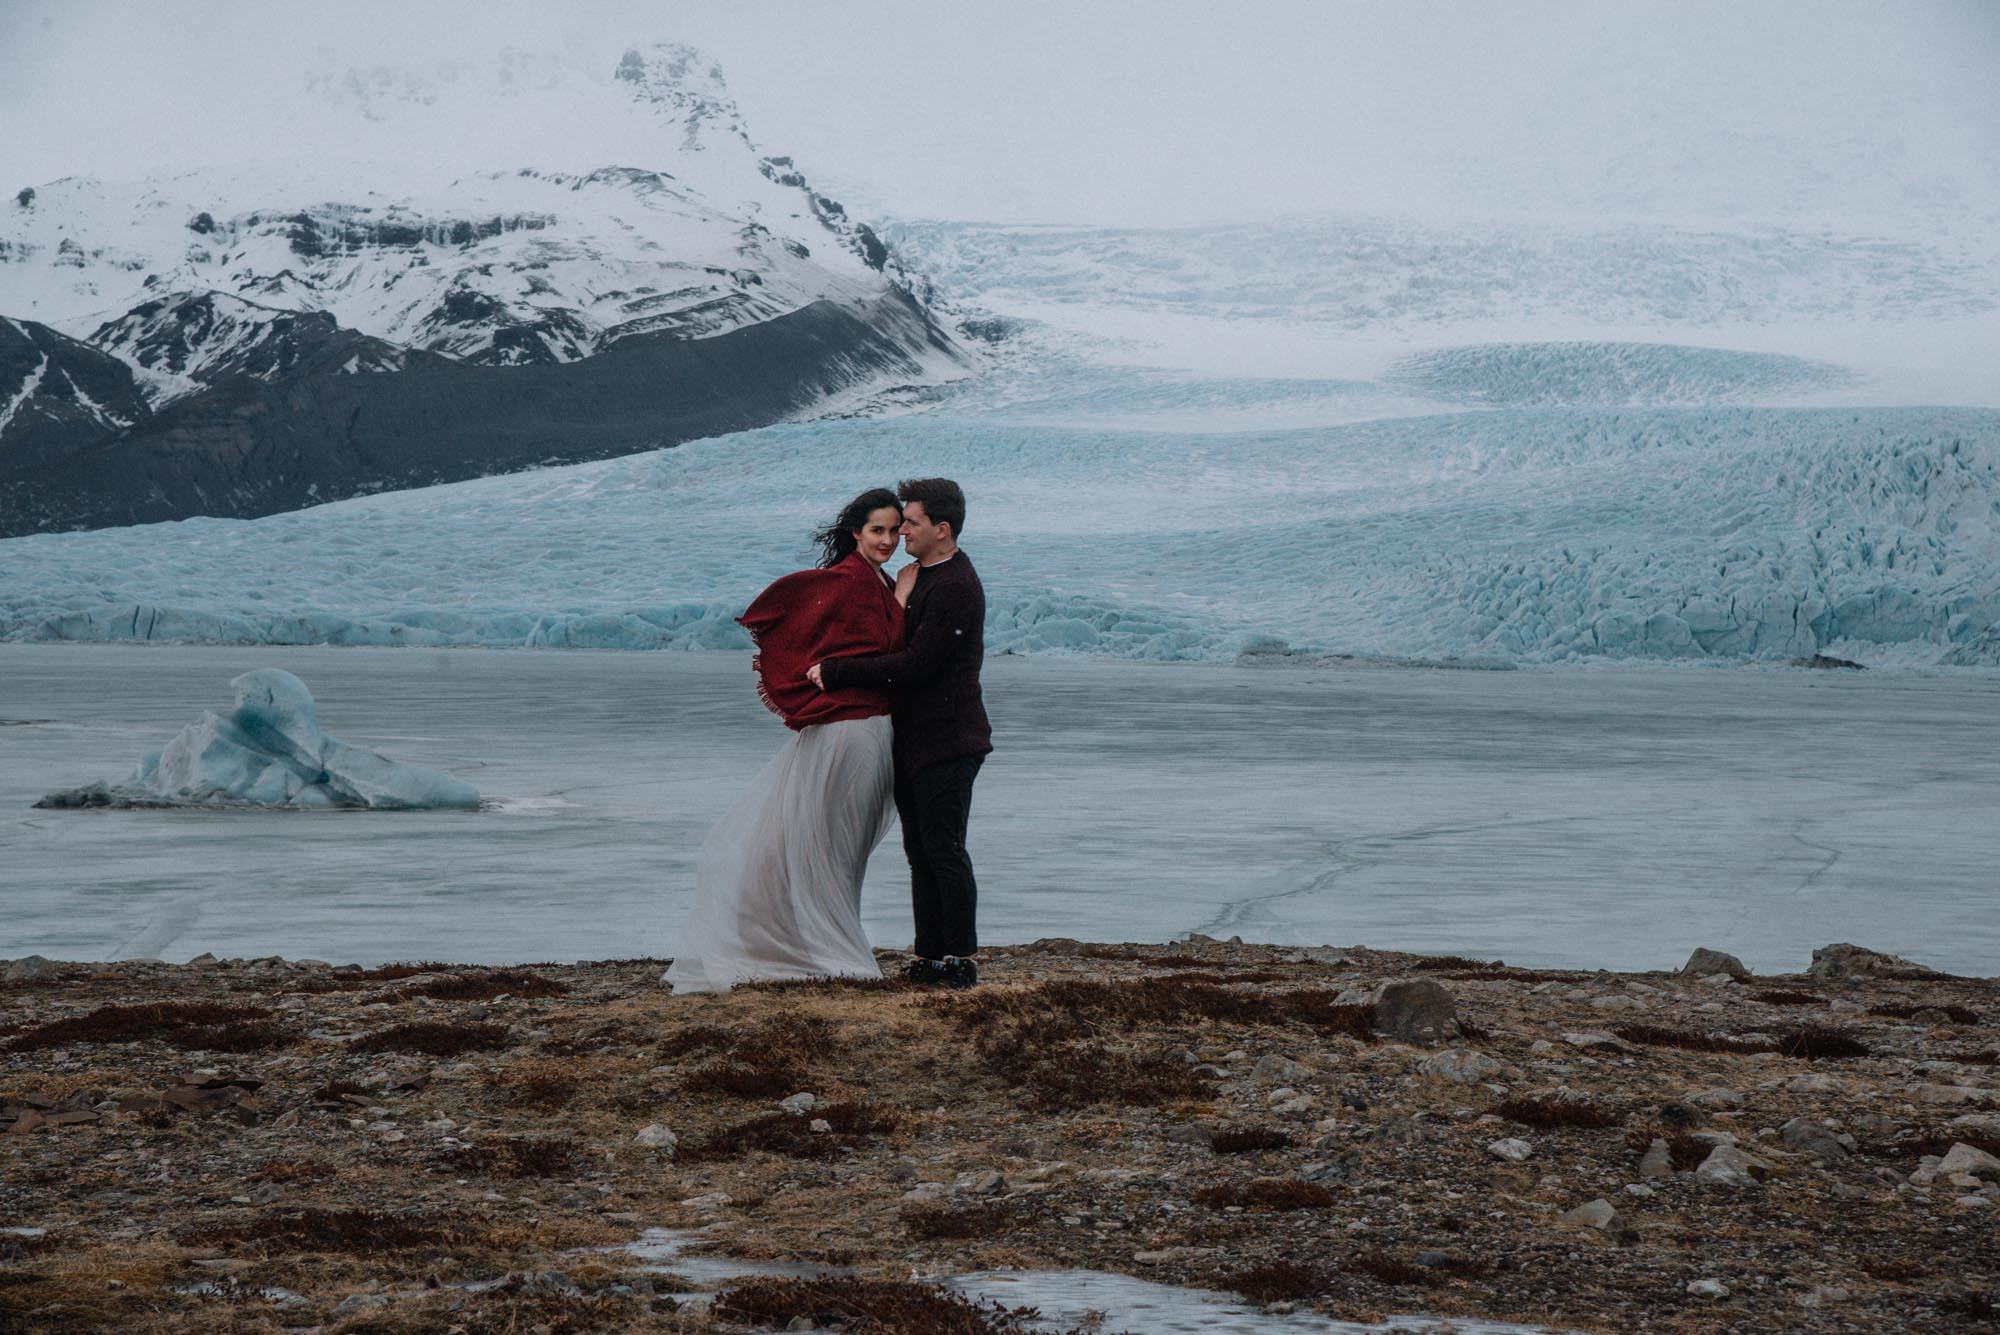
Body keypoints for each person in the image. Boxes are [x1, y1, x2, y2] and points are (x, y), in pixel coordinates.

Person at [663, 489, 907, 994]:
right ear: (855, 533)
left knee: (828, 844)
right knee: (831, 846)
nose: (887, 540)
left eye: (893, 530)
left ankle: (811, 943)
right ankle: (821, 950)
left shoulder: (872, 581)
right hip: (852, 732)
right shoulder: (855, 584)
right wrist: (902, 602)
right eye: (877, 530)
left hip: (859, 731)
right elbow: (882, 654)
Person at [810, 478, 992, 989]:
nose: (901, 531)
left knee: (944, 848)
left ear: (942, 528)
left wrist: (840, 671)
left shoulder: (954, 585)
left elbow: (916, 665)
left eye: (910, 522)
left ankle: (958, 959)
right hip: (920, 740)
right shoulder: (925, 576)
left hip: (950, 739)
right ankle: (930, 954)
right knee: (922, 851)